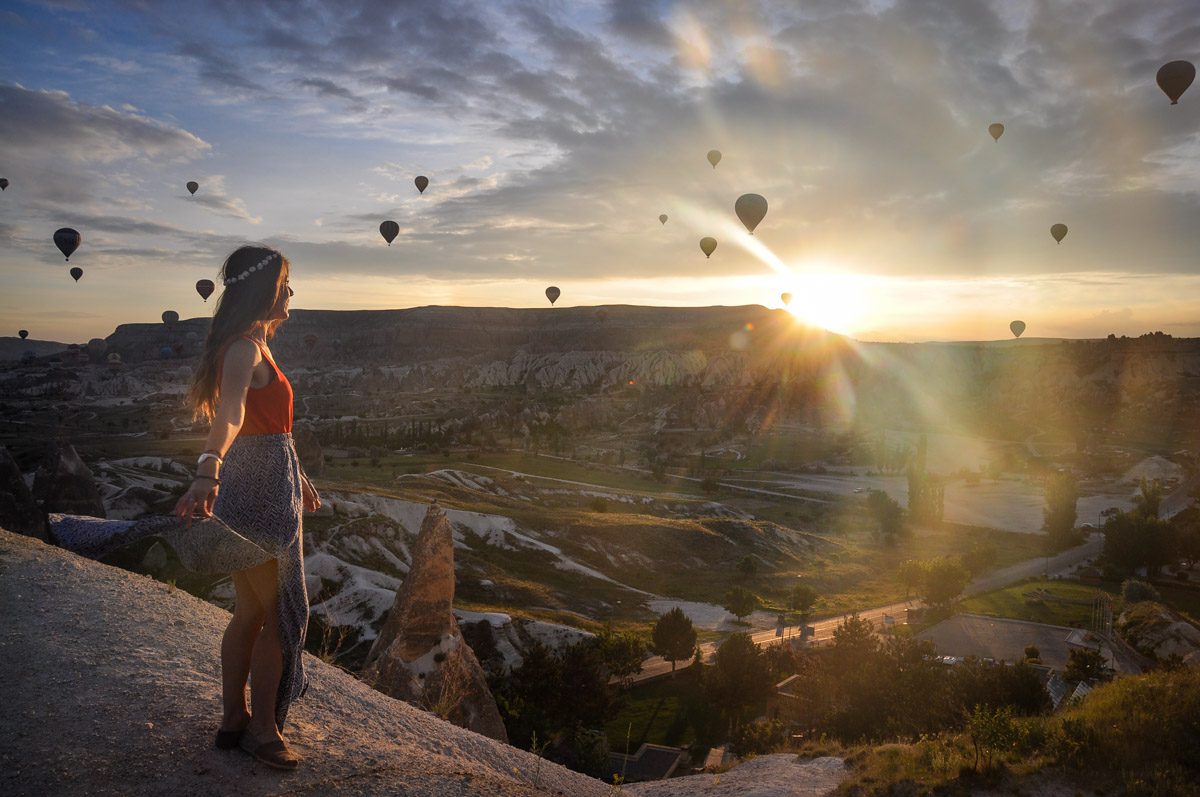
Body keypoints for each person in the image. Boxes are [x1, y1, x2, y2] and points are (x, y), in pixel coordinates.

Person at [172, 245, 321, 770]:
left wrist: (297, 475)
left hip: (270, 484)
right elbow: (233, 413)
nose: (290, 293)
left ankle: (234, 720)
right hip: (256, 493)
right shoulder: (244, 351)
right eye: (284, 283)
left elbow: (268, 425)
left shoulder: (258, 344)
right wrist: (208, 467)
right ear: (262, 289)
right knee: (278, 618)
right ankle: (262, 731)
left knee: (251, 612)